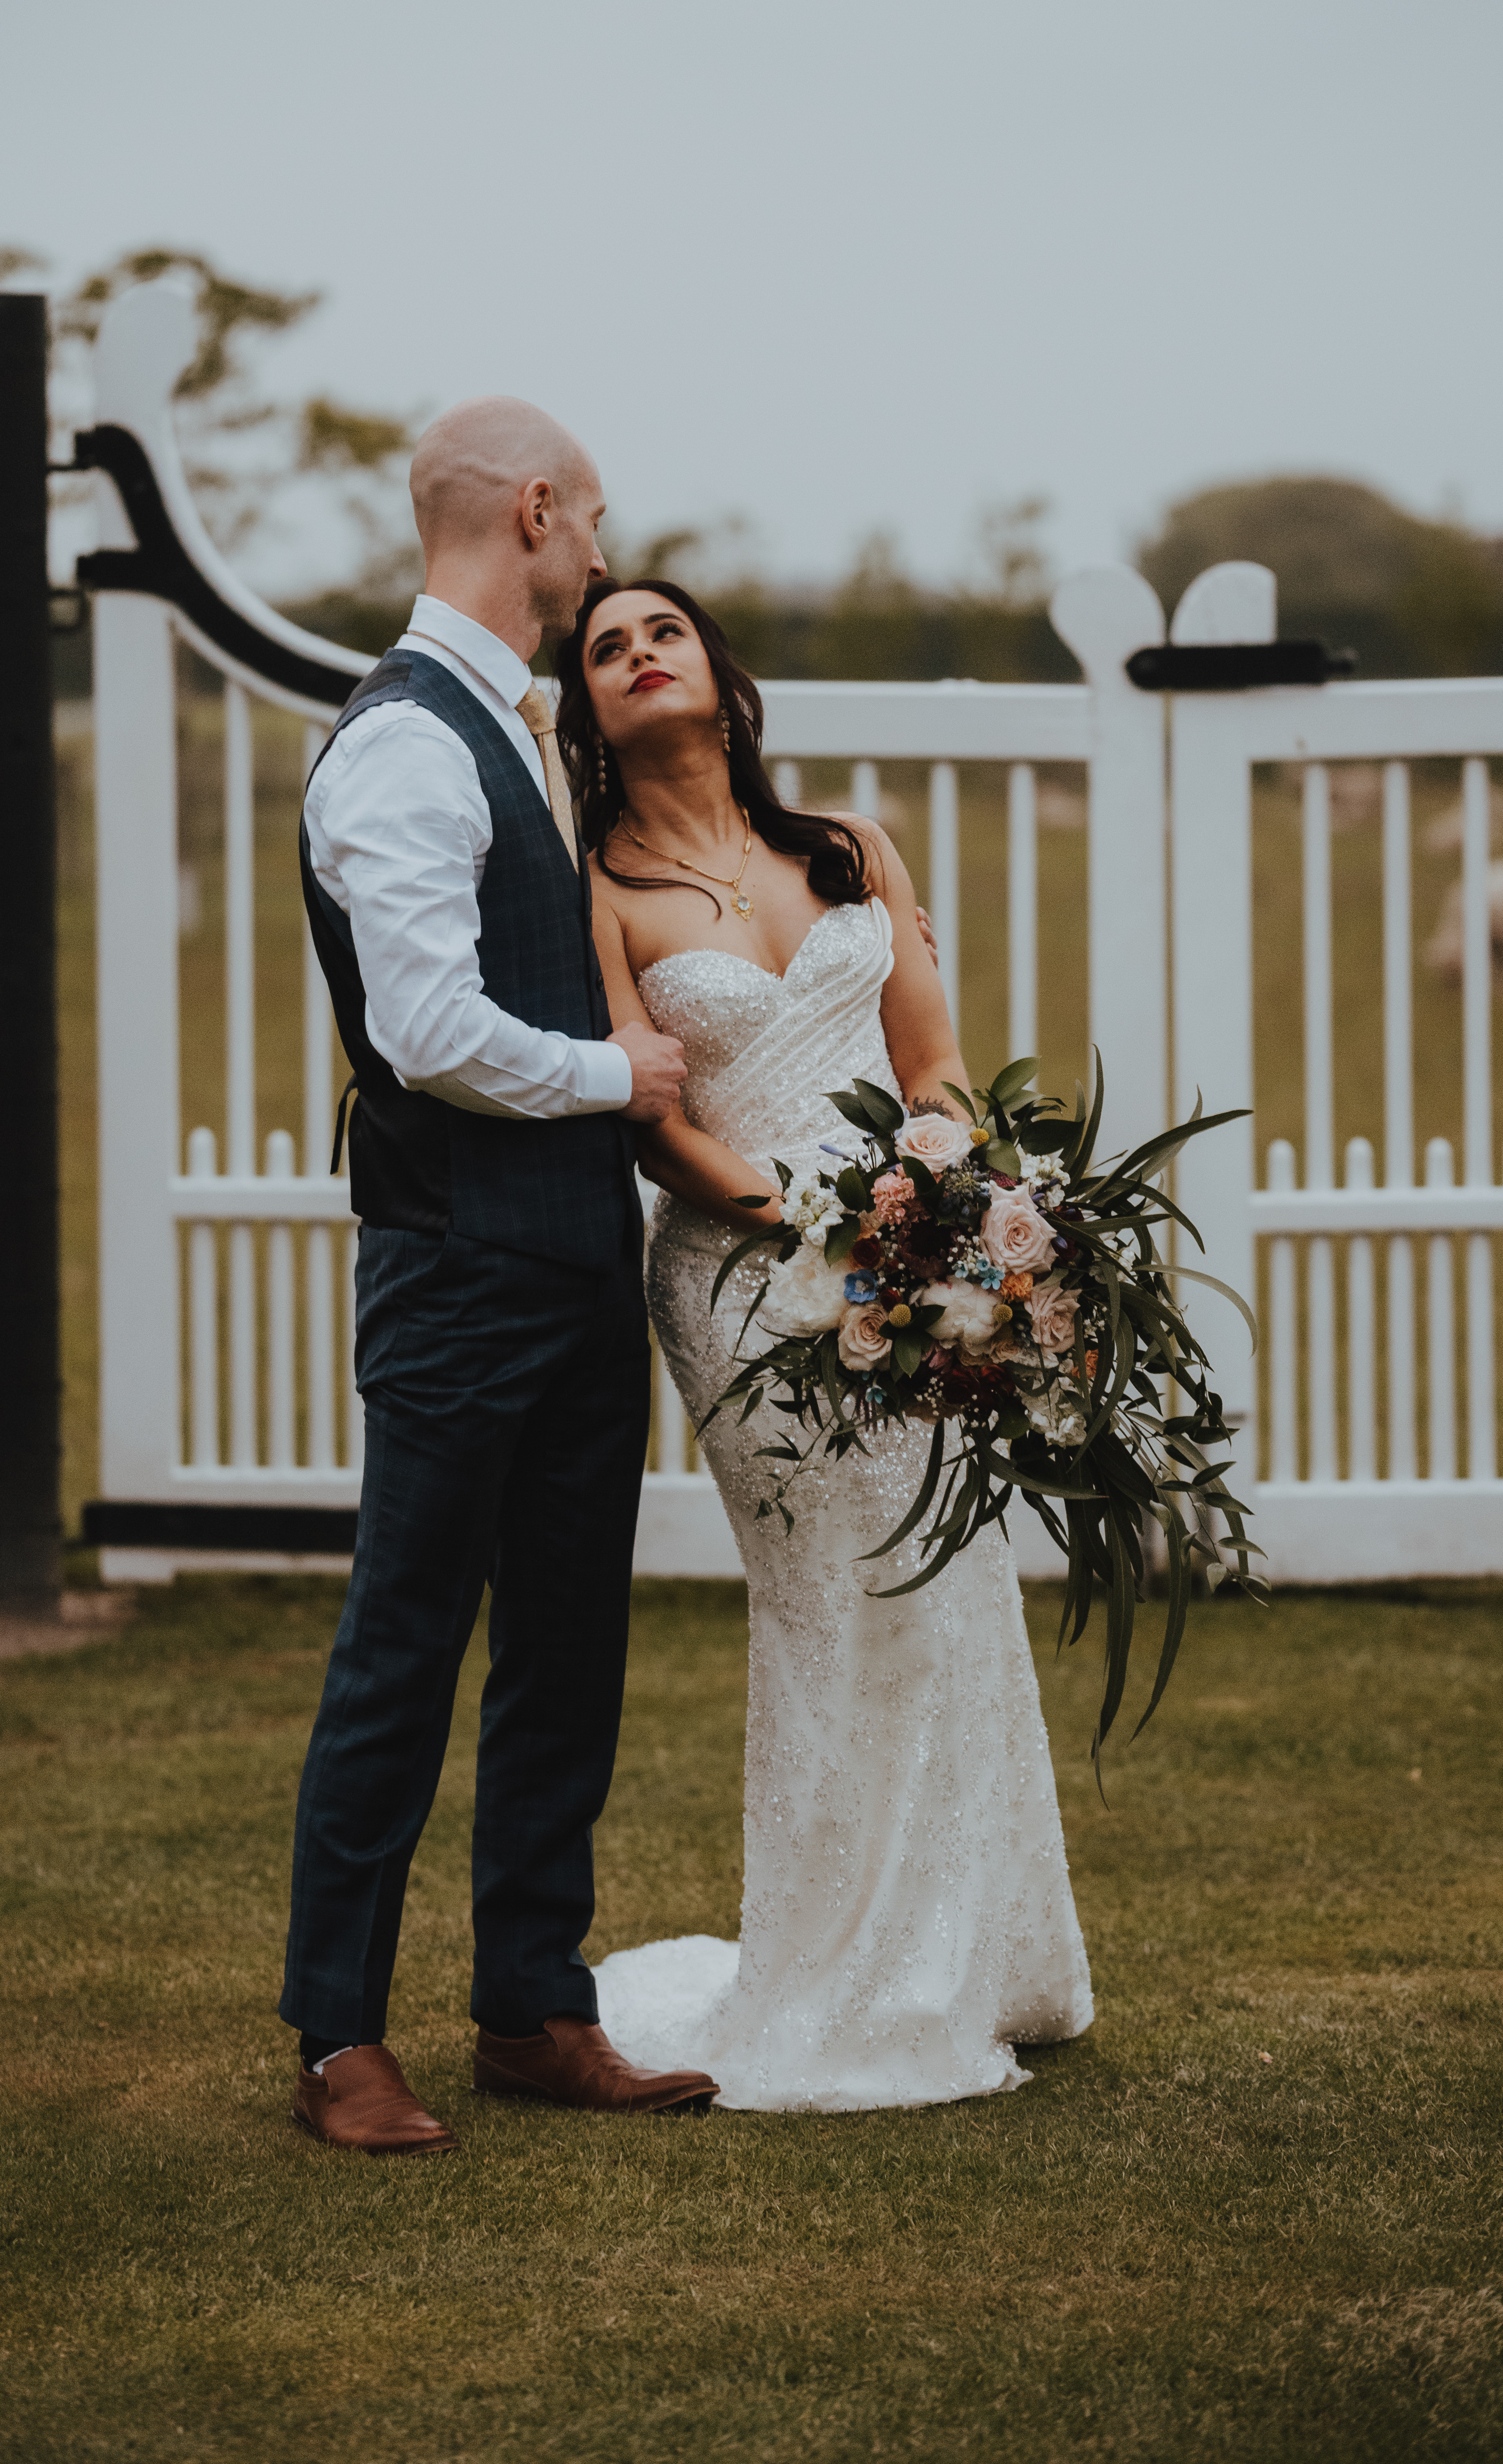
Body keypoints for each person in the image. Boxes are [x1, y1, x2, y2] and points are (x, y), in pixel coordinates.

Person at [557, 576, 1094, 2112]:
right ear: (594, 712)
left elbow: (934, 1065)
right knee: (835, 1601)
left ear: (719, 678)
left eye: (663, 632)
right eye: (606, 648)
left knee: (948, 1578)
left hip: (910, 1258)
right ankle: (840, 1977)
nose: (639, 653)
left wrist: (922, 1190)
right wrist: (805, 1216)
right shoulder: (601, 888)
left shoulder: (847, 850)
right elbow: (651, 1116)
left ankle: (980, 1961)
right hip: (742, 1285)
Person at [279, 403, 718, 2156]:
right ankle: (337, 2038)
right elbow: (427, 1028)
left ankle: (536, 2006)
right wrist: (626, 1079)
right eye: (593, 526)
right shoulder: (403, 744)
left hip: (571, 1271)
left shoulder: (524, 732)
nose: (604, 557)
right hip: (456, 1269)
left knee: (567, 1647)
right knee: (406, 1645)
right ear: (532, 513)